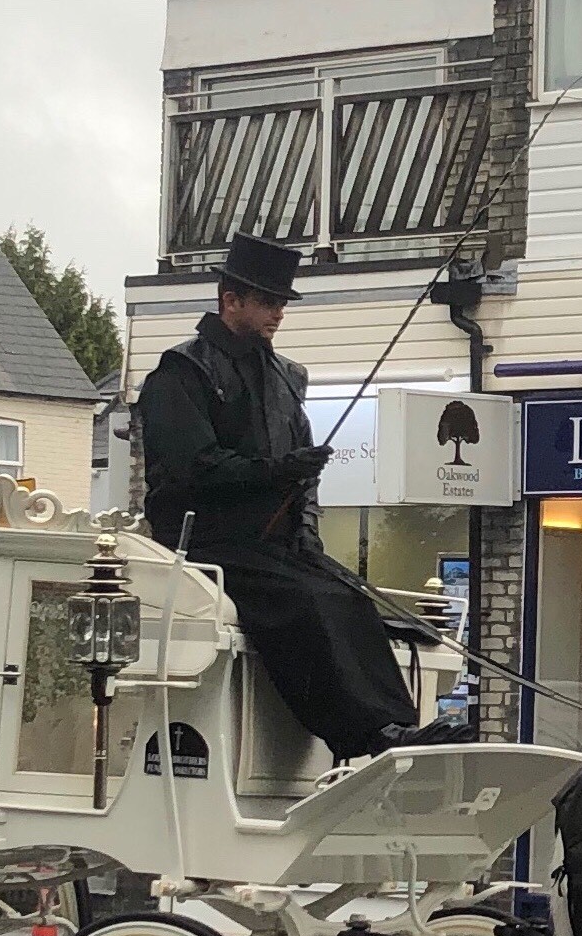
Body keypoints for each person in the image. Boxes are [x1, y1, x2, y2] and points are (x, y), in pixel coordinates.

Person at [137, 233, 445, 763]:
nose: (279, 313)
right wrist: (275, 472)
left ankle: (398, 725)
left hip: (275, 545)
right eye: (268, 302)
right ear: (230, 299)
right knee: (305, 603)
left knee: (350, 596)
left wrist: (306, 537)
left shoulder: (285, 378)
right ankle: (367, 735)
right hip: (209, 540)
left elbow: (302, 478)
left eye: (282, 302)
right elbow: (191, 468)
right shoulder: (181, 373)